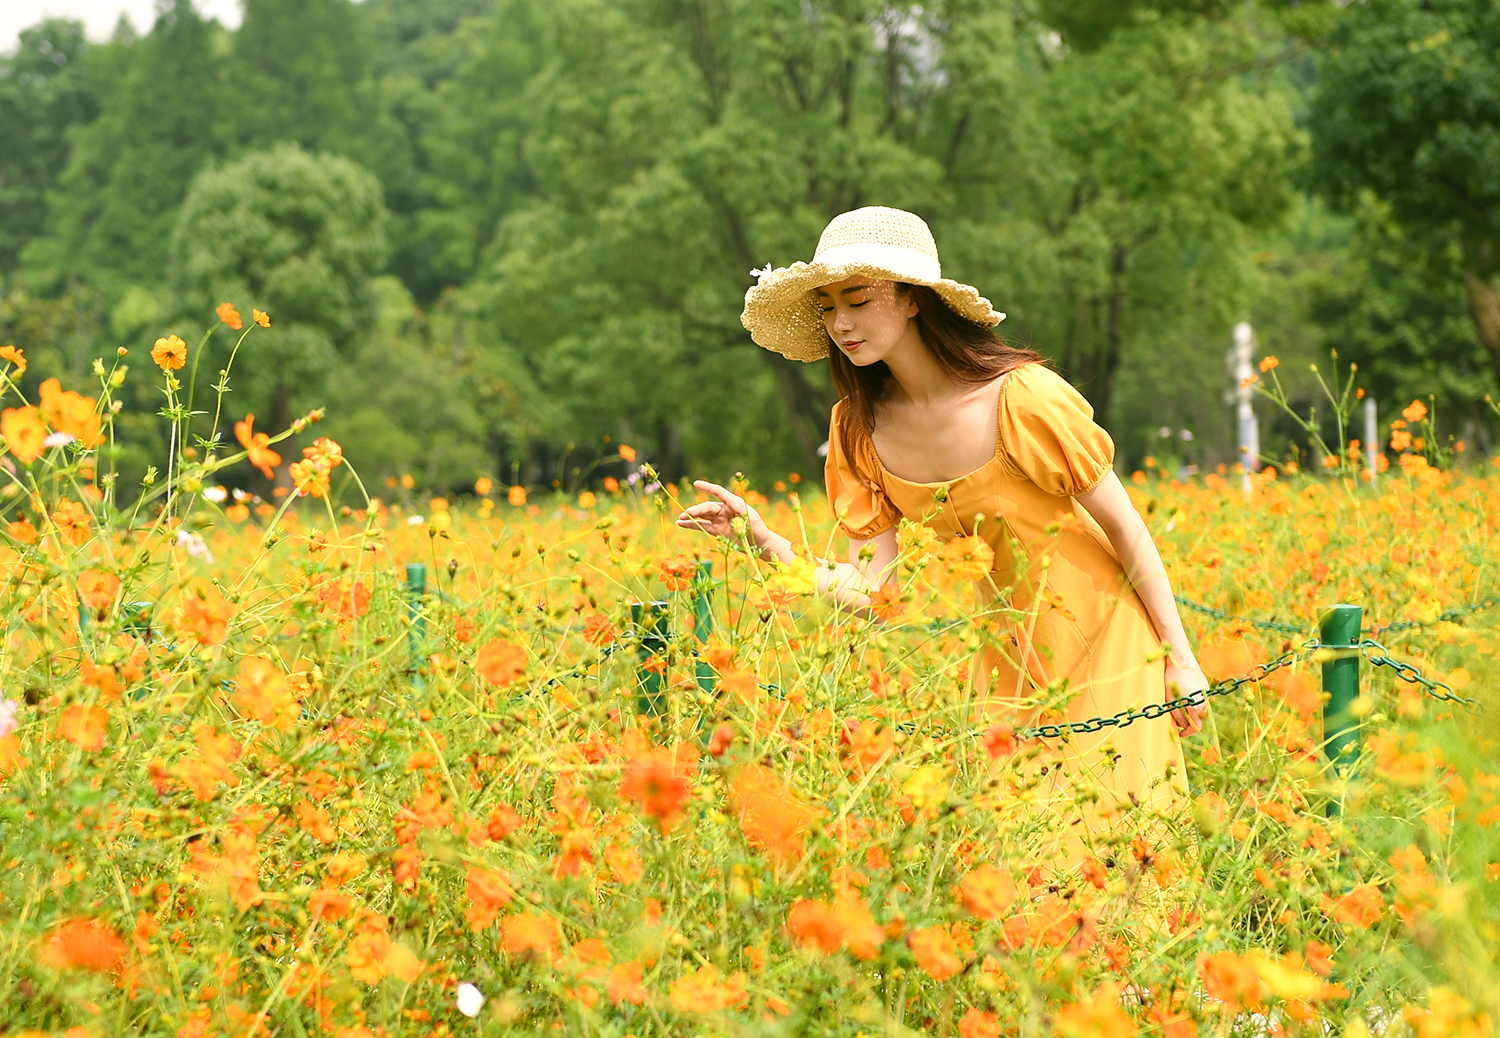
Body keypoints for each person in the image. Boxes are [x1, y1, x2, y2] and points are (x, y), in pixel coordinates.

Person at [676, 206, 1208, 887]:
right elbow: (878, 594)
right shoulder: (859, 428)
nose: (841, 324)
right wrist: (768, 545)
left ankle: (1152, 996)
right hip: (1003, 670)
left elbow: (1128, 531)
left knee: (1125, 853)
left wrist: (1181, 658)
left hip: (1109, 647)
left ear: (911, 300)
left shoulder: (1024, 399)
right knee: (1024, 872)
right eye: (830, 305)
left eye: (859, 299)